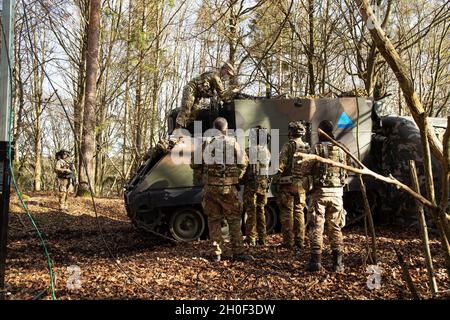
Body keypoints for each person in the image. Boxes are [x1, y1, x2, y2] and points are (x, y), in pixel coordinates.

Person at [191, 117, 252, 262]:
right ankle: (238, 252)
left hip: (210, 189)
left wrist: (203, 175)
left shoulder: (206, 143)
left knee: (213, 220)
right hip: (228, 188)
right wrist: (237, 177)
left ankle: (216, 253)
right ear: (226, 129)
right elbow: (244, 163)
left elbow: (194, 164)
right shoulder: (233, 143)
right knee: (234, 220)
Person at [305, 120, 348, 272]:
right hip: (337, 194)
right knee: (335, 227)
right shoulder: (342, 149)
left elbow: (305, 168)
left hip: (320, 194)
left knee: (317, 227)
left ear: (320, 132)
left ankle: (315, 262)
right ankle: (338, 263)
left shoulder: (316, 149)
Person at [272, 121, 310, 250]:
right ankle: (300, 241)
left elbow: (280, 165)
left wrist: (275, 181)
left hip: (287, 185)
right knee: (299, 212)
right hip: (301, 185)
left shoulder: (288, 146)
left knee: (287, 213)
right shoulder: (306, 147)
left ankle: (288, 242)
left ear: (290, 132)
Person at [176, 62, 237, 129]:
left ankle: (183, 130)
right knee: (186, 110)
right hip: (191, 89)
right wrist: (232, 92)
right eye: (228, 74)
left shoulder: (216, 76)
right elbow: (222, 94)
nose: (227, 76)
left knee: (193, 113)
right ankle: (177, 132)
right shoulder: (215, 77)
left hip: (197, 95)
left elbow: (221, 96)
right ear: (224, 70)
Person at [243, 126, 271, 246]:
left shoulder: (248, 151)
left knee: (251, 212)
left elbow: (243, 168)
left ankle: (251, 238)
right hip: (263, 185)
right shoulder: (267, 151)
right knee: (261, 211)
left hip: (250, 185)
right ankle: (263, 238)